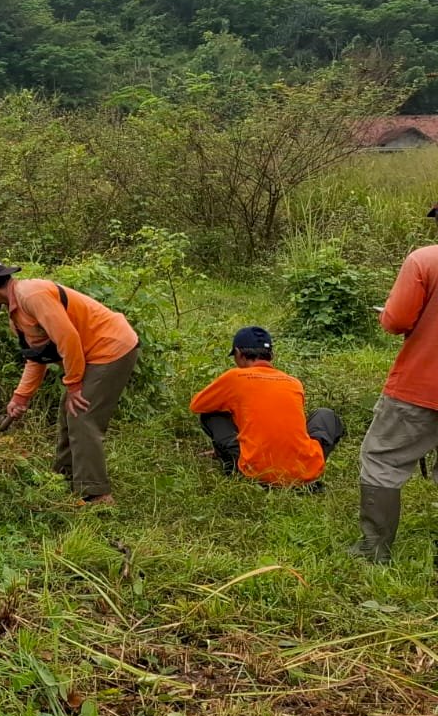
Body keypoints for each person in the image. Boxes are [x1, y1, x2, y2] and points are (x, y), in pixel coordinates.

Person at [0, 258, 140, 505]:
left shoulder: (32, 294)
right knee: (68, 413)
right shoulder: (16, 315)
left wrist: (73, 384)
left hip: (111, 347)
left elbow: (68, 338)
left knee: (81, 415)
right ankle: (62, 478)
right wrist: (20, 397)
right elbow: (36, 358)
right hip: (90, 354)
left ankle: (96, 494)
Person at [348, 203, 438, 563]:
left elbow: (397, 320)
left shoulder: (424, 260)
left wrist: (386, 315)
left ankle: (375, 548)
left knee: (382, 458)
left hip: (421, 384)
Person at [188, 326, 344, 487]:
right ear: (272, 355)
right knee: (325, 415)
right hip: (303, 474)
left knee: (211, 414)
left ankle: (233, 466)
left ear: (239, 353)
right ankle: (303, 467)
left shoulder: (235, 377)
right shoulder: (293, 382)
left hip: (256, 473)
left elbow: (197, 405)